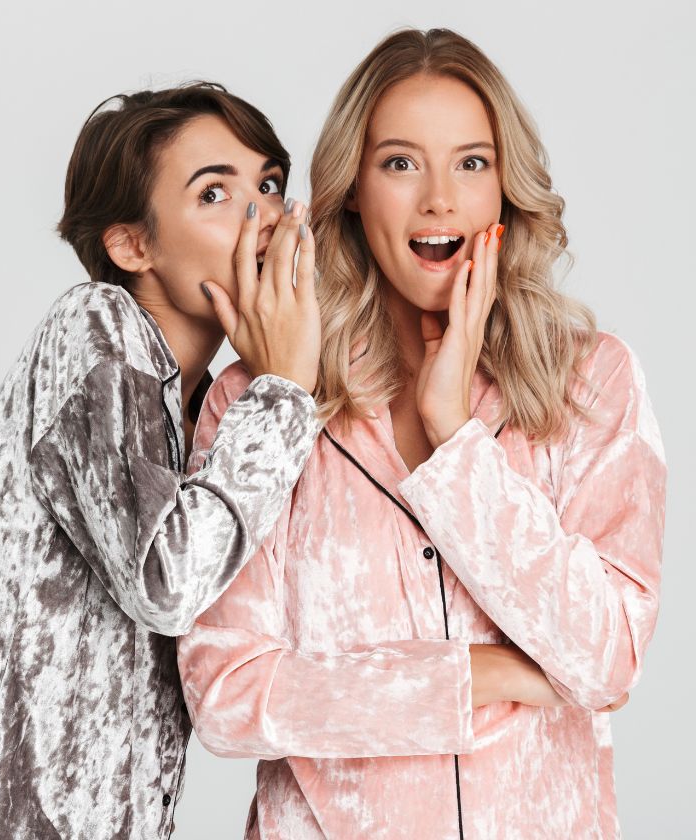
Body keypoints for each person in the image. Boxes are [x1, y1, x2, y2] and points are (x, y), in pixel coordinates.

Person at [177, 29, 667, 839]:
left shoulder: (591, 381)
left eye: (471, 162)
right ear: (352, 190)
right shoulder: (262, 403)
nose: (440, 199)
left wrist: (455, 438)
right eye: (401, 163)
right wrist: (472, 676)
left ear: (505, 187)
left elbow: (607, 659)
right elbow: (226, 696)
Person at [0, 82, 322, 840]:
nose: (264, 215)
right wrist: (286, 391)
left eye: (269, 185)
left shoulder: (210, 412)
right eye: (215, 193)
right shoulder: (95, 328)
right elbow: (165, 579)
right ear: (132, 245)